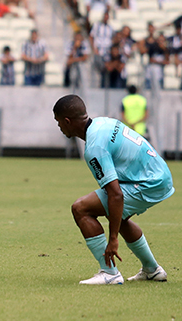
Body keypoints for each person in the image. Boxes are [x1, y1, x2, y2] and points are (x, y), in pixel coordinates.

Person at [52, 94, 174, 285]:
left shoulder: (94, 147)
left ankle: (109, 273)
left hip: (149, 182)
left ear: (67, 121)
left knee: (81, 208)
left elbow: (115, 195)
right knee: (117, 214)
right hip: (159, 174)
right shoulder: (103, 122)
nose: (59, 126)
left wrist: (113, 239)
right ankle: (152, 270)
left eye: (58, 122)